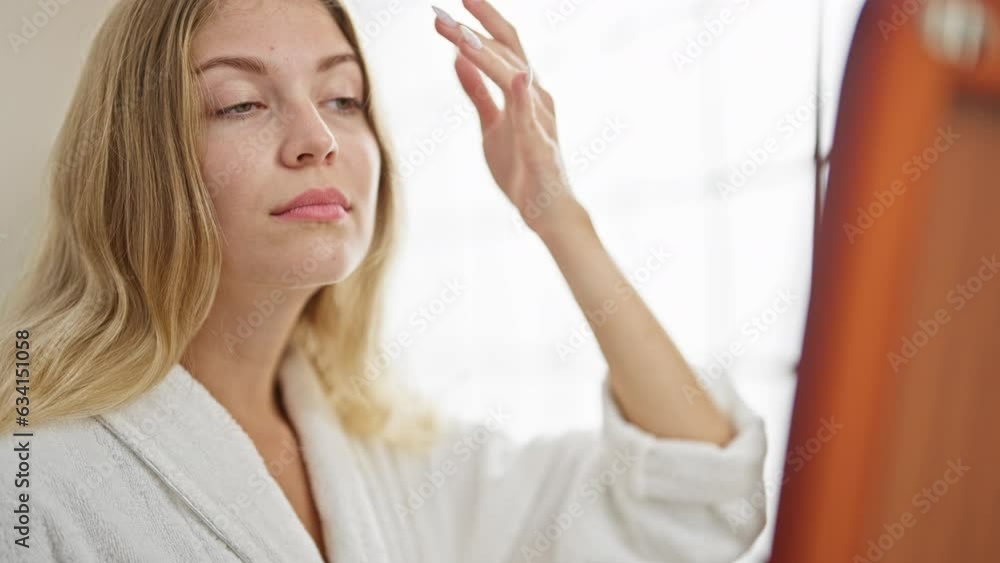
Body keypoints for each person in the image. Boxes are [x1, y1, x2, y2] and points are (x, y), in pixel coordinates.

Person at [0, 0, 767, 561]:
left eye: (344, 98)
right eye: (241, 103)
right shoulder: (33, 476)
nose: (317, 138)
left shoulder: (399, 460)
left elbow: (698, 501)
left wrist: (559, 216)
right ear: (139, 165)